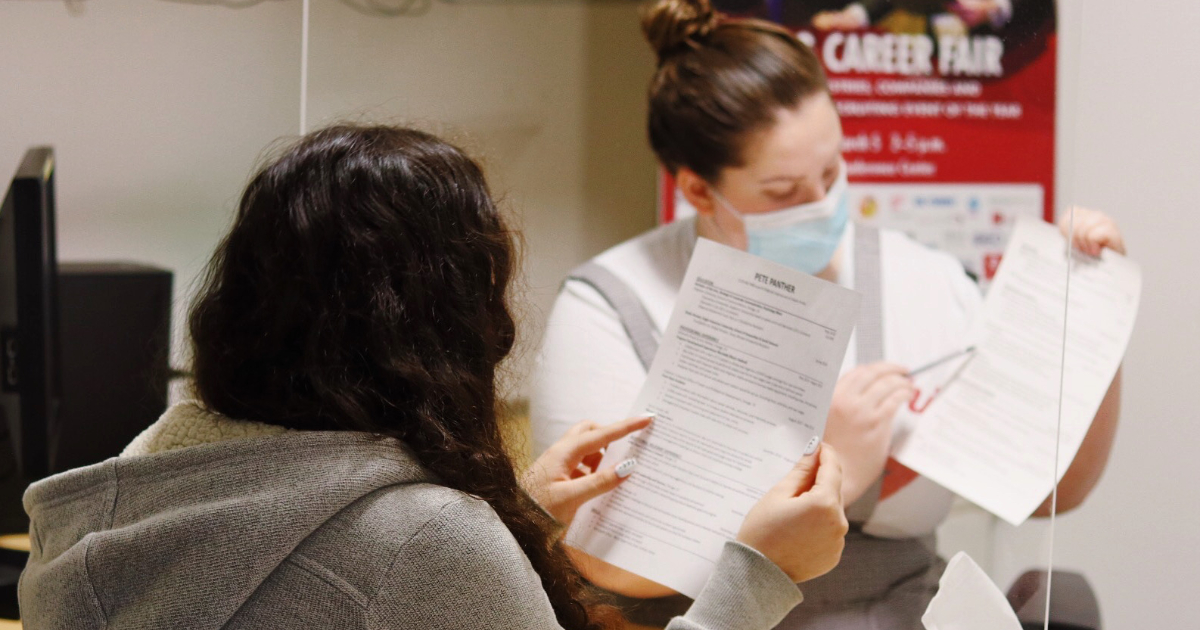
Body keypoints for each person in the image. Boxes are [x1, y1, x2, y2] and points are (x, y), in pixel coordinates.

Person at [18, 125, 851, 630]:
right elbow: (384, 571)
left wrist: (518, 515)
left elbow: (311, 578)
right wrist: (758, 572)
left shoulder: (148, 462)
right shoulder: (428, 545)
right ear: (446, 327)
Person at [529, 0, 1126, 628]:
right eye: (783, 193)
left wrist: (1093, 311)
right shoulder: (610, 305)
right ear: (699, 189)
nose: (821, 206)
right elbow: (601, 564)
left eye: (832, 172)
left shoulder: (921, 280)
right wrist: (830, 471)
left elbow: (1055, 491)